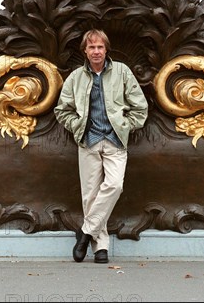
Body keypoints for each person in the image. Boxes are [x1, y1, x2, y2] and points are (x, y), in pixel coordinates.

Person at [54, 29, 148, 264]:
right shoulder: (76, 77)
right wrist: (77, 126)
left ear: (106, 49)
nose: (96, 51)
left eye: (100, 47)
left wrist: (126, 125)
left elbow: (141, 108)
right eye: (91, 47)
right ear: (85, 51)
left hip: (116, 141)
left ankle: (85, 233)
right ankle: (100, 247)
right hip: (88, 141)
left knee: (114, 185)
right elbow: (61, 110)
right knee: (91, 196)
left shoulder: (122, 72)